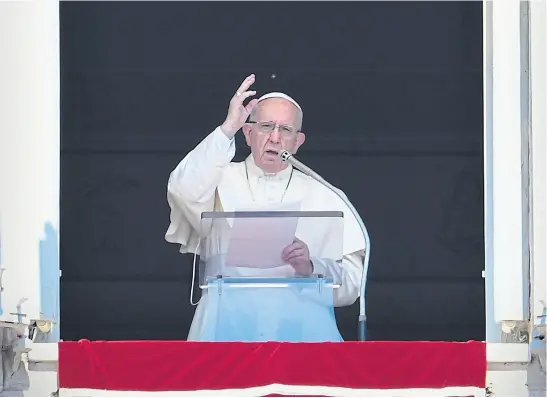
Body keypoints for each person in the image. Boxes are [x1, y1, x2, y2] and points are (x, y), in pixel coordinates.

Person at [165, 74, 367, 341]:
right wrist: (228, 127)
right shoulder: (217, 179)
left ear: (298, 142)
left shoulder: (325, 193)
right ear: (248, 133)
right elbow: (182, 188)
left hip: (303, 335)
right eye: (265, 126)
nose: (274, 137)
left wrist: (310, 267)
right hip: (225, 329)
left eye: (285, 130)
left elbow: (352, 286)